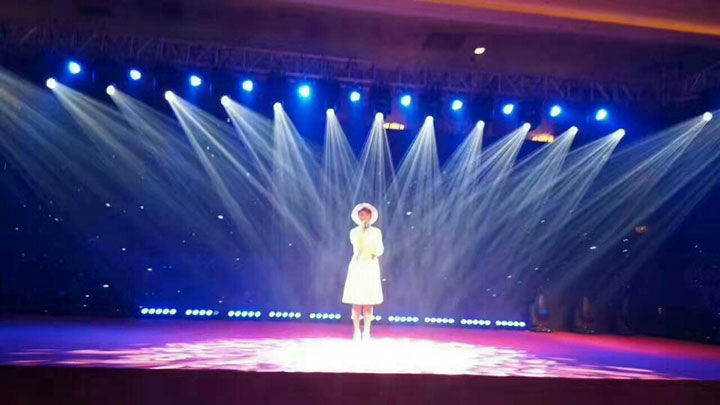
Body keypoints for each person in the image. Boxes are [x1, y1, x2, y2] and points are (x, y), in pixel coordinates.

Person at [342, 203, 384, 341]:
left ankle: (366, 331)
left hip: (370, 265)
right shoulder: (354, 231)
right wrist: (362, 230)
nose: (363, 217)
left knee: (368, 300)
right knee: (356, 300)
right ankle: (356, 331)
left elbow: (380, 250)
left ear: (370, 216)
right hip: (358, 264)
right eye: (360, 215)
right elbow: (357, 245)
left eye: (365, 214)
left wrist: (374, 250)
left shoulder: (376, 232)